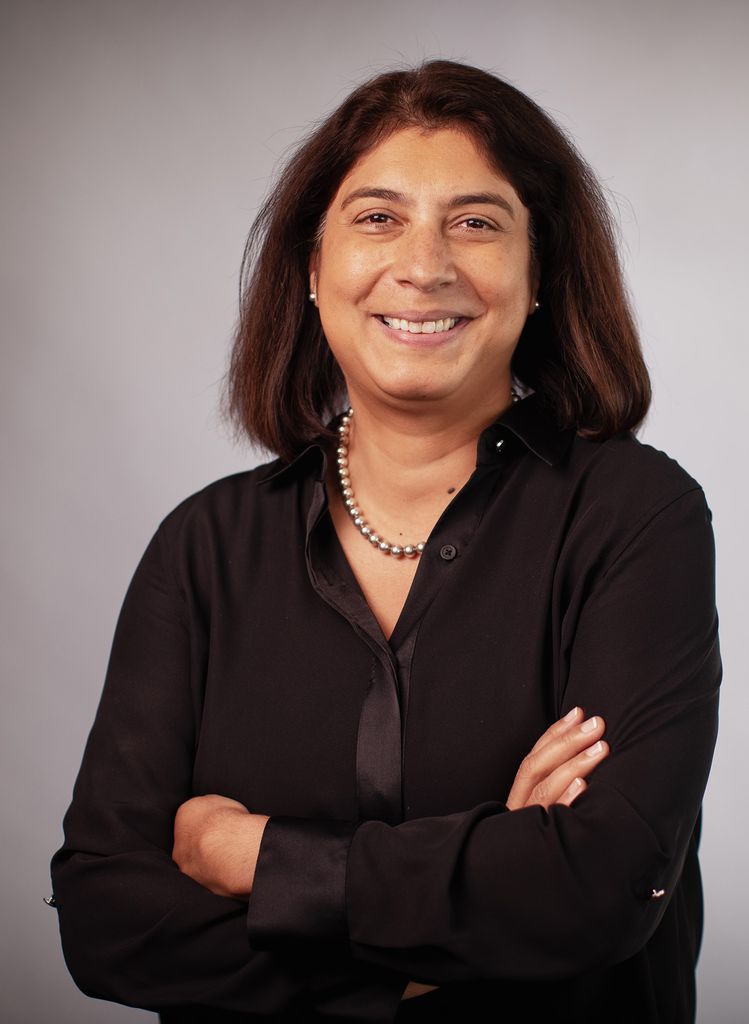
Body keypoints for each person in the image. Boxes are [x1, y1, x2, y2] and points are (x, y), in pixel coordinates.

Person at [50, 60, 721, 1023]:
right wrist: (466, 919)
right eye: (376, 217)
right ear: (313, 272)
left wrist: (256, 858)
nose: (425, 264)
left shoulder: (633, 514)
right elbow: (106, 919)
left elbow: (601, 890)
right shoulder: (203, 547)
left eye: (477, 222)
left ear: (538, 280)